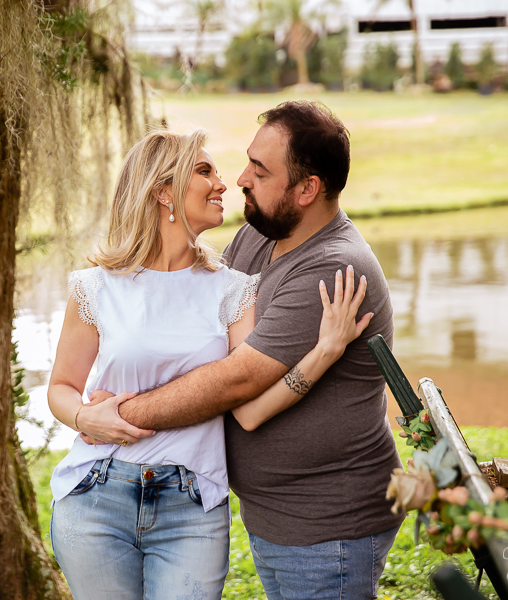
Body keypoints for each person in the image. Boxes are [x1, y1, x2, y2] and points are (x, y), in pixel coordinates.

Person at [89, 101, 405, 600]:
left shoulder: (332, 269)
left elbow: (237, 382)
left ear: (307, 189)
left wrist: (117, 416)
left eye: (260, 171)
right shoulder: (257, 238)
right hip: (276, 517)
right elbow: (204, 339)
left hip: (329, 524)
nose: (239, 179)